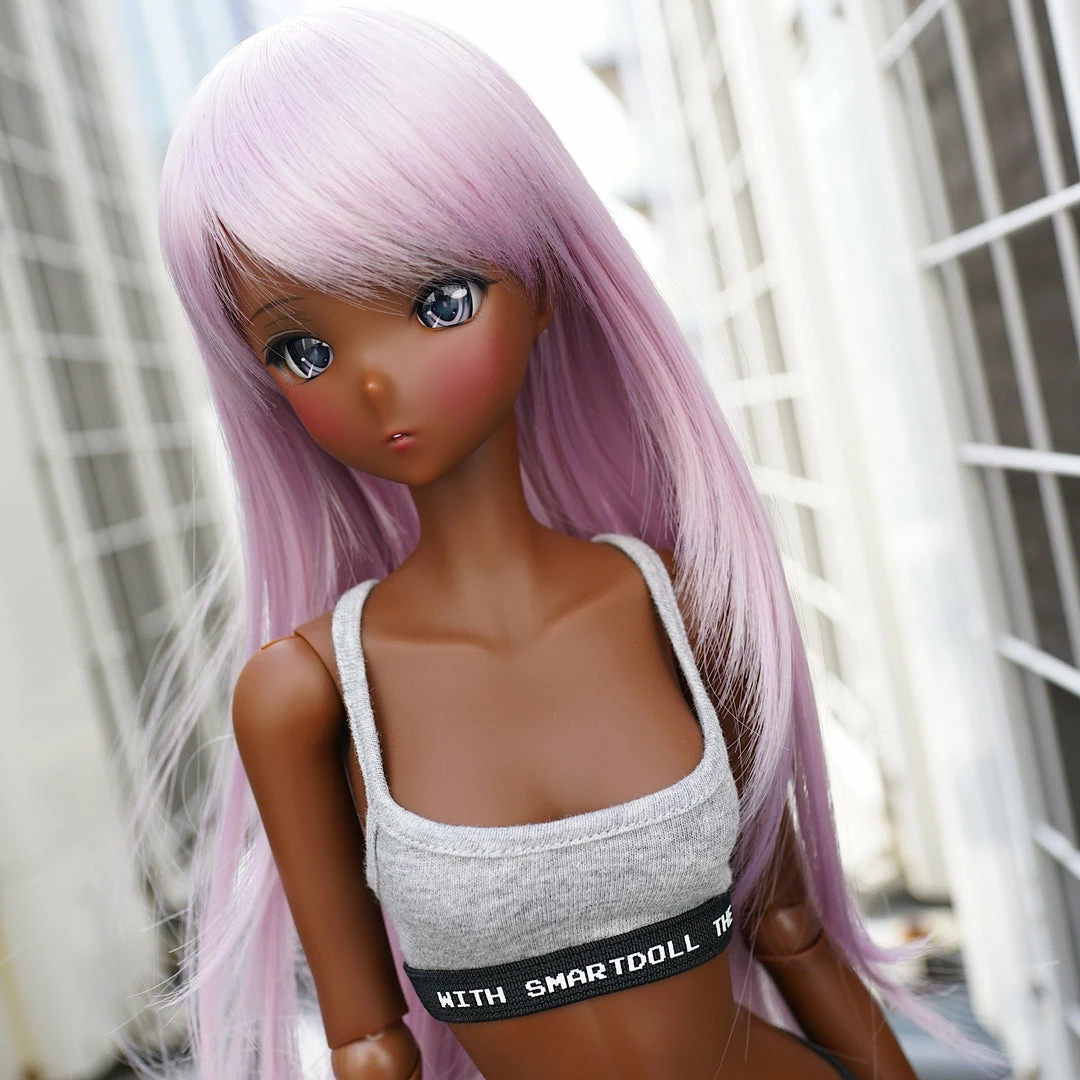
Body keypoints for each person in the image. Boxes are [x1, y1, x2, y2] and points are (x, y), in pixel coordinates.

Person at [143, 7, 953, 1078]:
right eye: (303, 347)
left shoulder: (678, 607)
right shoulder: (304, 696)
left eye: (440, 300)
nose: (376, 381)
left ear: (544, 292)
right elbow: (369, 1047)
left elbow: (790, 930)